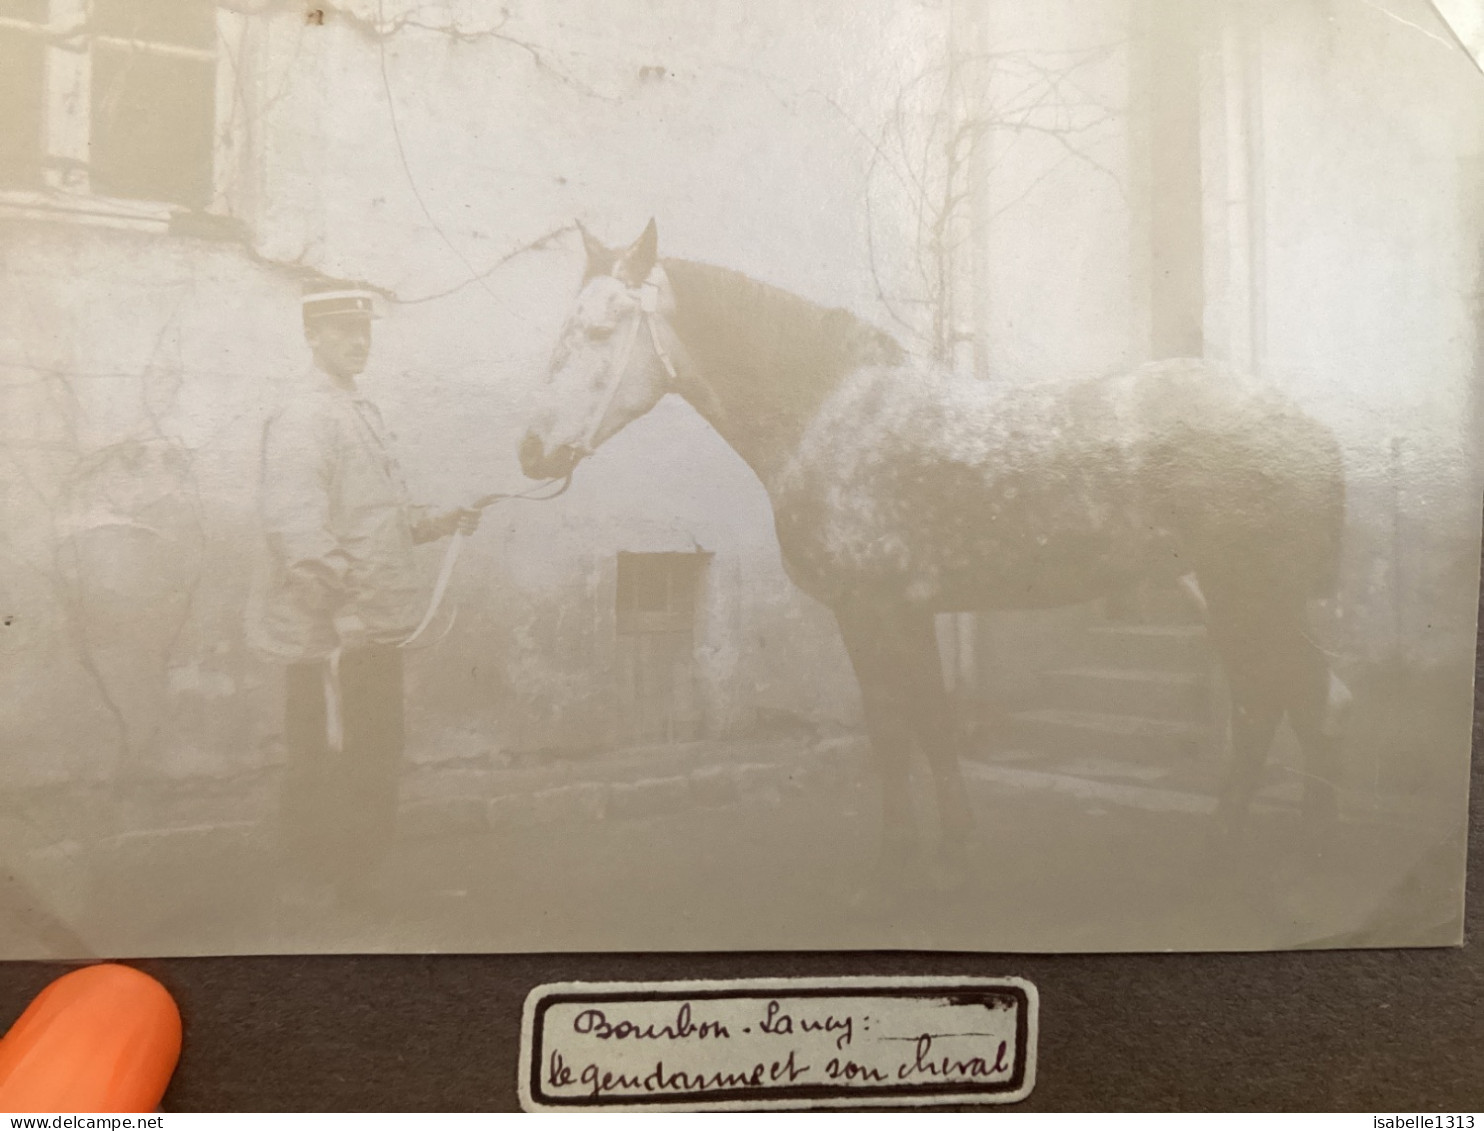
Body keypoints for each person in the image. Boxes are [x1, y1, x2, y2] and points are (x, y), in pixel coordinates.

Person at [247, 279, 478, 912]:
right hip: (334, 632)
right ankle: (334, 883)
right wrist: (344, 610)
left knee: (372, 748)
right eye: (343, 331)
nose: (358, 342)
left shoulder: (358, 412)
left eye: (365, 331)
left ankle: (353, 875)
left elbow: (379, 518)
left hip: (373, 625)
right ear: (312, 336)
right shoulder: (304, 415)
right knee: (335, 752)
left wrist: (441, 519)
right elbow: (297, 526)